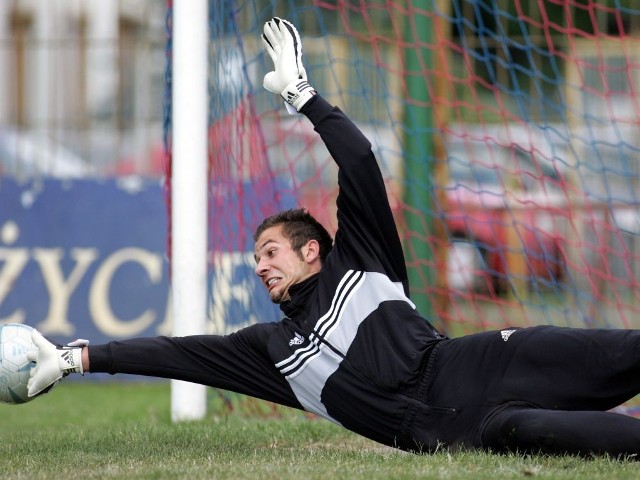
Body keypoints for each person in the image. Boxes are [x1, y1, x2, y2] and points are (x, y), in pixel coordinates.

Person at [27, 17, 640, 457]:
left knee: (624, 353)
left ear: (311, 249)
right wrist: (77, 358)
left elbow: (361, 159)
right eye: (256, 259)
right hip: (463, 432)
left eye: (271, 252)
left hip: (481, 361)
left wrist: (304, 96)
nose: (261, 267)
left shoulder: (362, 260)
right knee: (566, 438)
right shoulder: (270, 350)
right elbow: (176, 354)